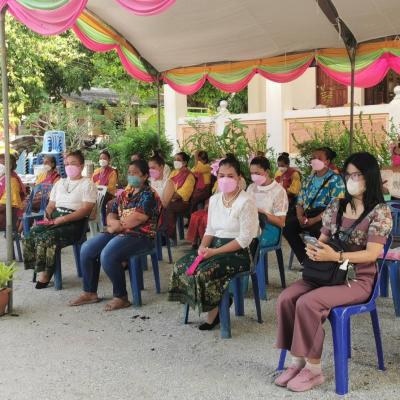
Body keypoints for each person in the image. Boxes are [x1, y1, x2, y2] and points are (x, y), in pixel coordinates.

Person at [274, 152, 392, 392]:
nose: (351, 180)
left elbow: (371, 254)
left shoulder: (379, 212)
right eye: (348, 175)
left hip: (356, 279)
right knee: (286, 298)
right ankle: (297, 361)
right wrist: (314, 248)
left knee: (308, 303)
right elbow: (323, 239)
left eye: (357, 175)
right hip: (326, 273)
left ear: (369, 176)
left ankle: (313, 370)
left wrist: (336, 256)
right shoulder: (337, 206)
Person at [169, 155, 259, 330]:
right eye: (221, 175)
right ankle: (214, 303)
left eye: (230, 176)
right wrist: (203, 247)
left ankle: (214, 313)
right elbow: (210, 229)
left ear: (239, 178)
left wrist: (214, 252)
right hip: (214, 246)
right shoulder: (215, 199)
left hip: (240, 252)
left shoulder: (246, 201)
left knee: (206, 271)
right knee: (182, 266)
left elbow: (244, 239)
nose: (225, 179)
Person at [69, 160, 161, 311]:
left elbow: (138, 218)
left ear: (145, 176)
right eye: (129, 173)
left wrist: (117, 226)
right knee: (87, 248)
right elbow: (111, 211)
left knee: (108, 254)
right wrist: (113, 223)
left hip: (141, 236)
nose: (131, 176)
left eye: (135, 173)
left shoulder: (149, 195)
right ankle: (89, 292)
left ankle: (121, 297)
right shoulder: (125, 193)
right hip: (119, 231)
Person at [23, 150, 97, 289]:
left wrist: (63, 219)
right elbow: (51, 205)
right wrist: (47, 214)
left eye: (73, 163)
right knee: (30, 234)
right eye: (67, 164)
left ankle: (47, 273)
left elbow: (85, 210)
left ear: (81, 166)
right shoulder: (60, 183)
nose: (69, 166)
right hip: (55, 218)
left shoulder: (88, 184)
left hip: (75, 223)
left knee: (47, 237)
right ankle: (39, 266)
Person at [283, 148, 345, 265]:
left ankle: (322, 263)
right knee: (287, 227)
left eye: (319, 158)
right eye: (313, 158)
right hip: (307, 214)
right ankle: (305, 260)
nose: (315, 160)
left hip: (324, 216)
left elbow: (335, 206)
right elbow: (300, 202)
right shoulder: (308, 179)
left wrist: (314, 220)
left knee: (318, 231)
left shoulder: (335, 180)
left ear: (327, 161)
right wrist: (300, 217)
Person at [247, 156, 288, 246]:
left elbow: (281, 222)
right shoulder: (251, 188)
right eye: (252, 173)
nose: (254, 176)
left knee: (245, 241)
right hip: (250, 225)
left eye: (257, 173)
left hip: (269, 228)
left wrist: (261, 213)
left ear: (267, 172)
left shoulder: (278, 191)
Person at [164, 152, 195, 239]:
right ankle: (160, 235)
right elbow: (167, 186)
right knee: (158, 205)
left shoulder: (189, 176)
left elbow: (181, 195)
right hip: (171, 199)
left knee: (168, 207)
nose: (175, 162)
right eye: (175, 160)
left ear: (184, 163)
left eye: (178, 160)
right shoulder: (174, 172)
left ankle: (170, 237)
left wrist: (167, 195)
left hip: (183, 203)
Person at [0, 153, 26, 229]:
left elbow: (5, 205)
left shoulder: (11, 182)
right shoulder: (4, 177)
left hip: (6, 218)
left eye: (1, 164)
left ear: (10, 166)